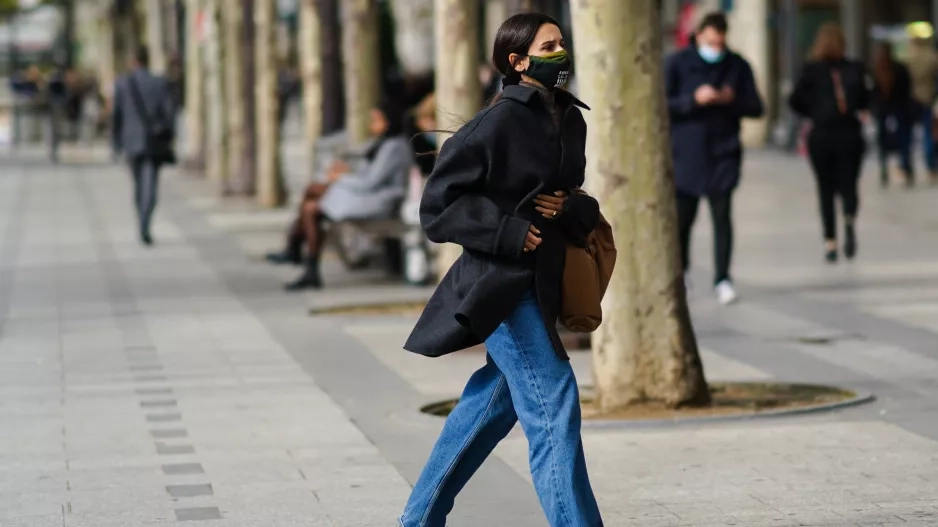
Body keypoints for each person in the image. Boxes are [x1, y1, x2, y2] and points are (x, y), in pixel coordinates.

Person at [400, 13, 604, 527]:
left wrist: (572, 211)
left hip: (544, 280)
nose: (561, 51)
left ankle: (419, 518)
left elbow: (572, 199)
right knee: (555, 399)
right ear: (518, 62)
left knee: (492, 403)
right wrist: (507, 232)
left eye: (562, 41)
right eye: (549, 45)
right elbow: (437, 206)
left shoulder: (571, 119)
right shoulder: (496, 124)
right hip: (500, 286)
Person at [664, 12, 764, 305]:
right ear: (699, 34)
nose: (716, 43)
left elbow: (757, 107)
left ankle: (723, 278)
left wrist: (730, 99)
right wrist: (693, 100)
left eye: (721, 37)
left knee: (723, 217)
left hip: (723, 153)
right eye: (711, 36)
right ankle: (681, 272)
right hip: (687, 154)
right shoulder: (678, 64)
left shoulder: (737, 66)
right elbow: (661, 104)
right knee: (684, 218)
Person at [266, 100, 412, 291]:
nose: (371, 125)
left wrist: (340, 178)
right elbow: (368, 176)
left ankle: (305, 261)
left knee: (311, 209)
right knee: (312, 192)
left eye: (376, 120)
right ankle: (296, 251)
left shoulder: (394, 147)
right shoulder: (384, 143)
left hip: (379, 201)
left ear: (389, 121)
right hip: (369, 196)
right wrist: (345, 173)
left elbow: (370, 182)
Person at [789, 23, 870, 263]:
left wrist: (813, 112)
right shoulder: (854, 68)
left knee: (825, 189)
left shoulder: (811, 71)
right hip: (849, 132)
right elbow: (866, 98)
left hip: (822, 134)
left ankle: (830, 241)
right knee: (849, 183)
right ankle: (848, 214)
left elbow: (795, 101)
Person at [111, 47, 177, 246]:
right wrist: (168, 135)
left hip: (131, 142)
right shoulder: (160, 82)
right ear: (147, 60)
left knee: (139, 184)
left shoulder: (122, 84)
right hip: (154, 141)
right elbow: (169, 112)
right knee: (151, 184)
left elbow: (116, 115)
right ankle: (145, 221)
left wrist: (115, 143)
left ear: (133, 62)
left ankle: (141, 218)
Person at [871, 41, 914, 187]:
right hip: (900, 108)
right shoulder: (899, 68)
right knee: (904, 140)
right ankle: (906, 168)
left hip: (885, 109)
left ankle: (885, 168)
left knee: (883, 141)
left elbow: (873, 93)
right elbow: (907, 89)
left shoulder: (877, 69)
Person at [905, 25, 938, 184]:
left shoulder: (908, 58)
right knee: (928, 134)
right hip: (927, 98)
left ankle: (907, 167)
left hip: (911, 99)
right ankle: (931, 167)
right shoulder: (933, 57)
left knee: (907, 135)